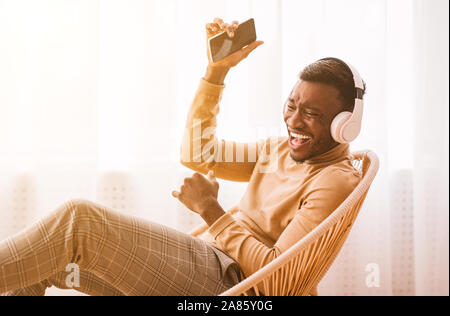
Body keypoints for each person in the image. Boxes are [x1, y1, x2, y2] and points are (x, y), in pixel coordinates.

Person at [0, 18, 364, 296]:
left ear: (344, 125)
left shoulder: (333, 180)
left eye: (312, 114)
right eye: (291, 105)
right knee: (50, 254)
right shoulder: (279, 149)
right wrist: (216, 73)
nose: (294, 121)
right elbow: (198, 154)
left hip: (230, 285)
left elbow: (278, 278)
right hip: (204, 262)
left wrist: (211, 211)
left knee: (78, 221)